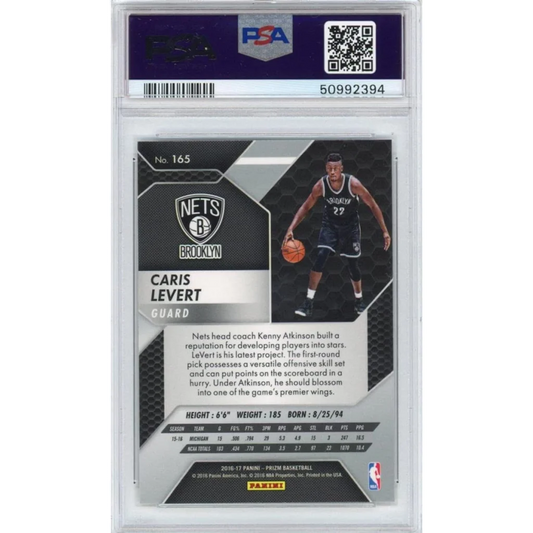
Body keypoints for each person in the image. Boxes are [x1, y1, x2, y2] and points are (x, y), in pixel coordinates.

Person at [283, 153, 391, 318]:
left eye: (335, 168)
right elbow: (305, 207)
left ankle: (359, 300)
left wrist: (384, 231)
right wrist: (291, 228)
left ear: (341, 169)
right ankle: (308, 303)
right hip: (330, 226)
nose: (332, 171)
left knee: (353, 264)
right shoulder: (321, 186)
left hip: (350, 228)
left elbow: (373, 205)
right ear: (326, 169)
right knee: (321, 256)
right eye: (329, 168)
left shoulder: (353, 184)